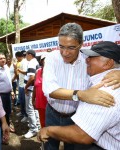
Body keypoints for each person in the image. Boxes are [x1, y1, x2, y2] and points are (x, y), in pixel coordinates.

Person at [41, 22, 119, 150]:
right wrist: (80, 95)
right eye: (61, 46)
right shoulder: (52, 58)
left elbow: (111, 64)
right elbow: (50, 90)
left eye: (71, 47)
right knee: (50, 147)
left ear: (81, 45)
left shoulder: (88, 60)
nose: (65, 52)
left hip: (76, 117)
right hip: (52, 113)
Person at [18, 50, 40, 138]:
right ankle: (37, 126)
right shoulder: (35, 62)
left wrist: (26, 87)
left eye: (26, 55)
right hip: (33, 89)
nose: (25, 56)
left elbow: (32, 77)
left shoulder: (31, 62)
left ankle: (33, 129)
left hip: (30, 89)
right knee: (34, 109)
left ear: (30, 55)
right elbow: (29, 74)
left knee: (29, 110)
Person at [32, 53, 48, 128]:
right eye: (45, 59)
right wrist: (33, 99)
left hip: (50, 104)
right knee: (43, 122)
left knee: (51, 124)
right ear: (41, 61)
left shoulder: (54, 72)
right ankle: (45, 139)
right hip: (40, 102)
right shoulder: (37, 71)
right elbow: (35, 87)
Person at [17, 51, 28, 122]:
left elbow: (26, 72)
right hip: (20, 84)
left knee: (24, 101)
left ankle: (26, 116)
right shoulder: (21, 62)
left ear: (18, 57)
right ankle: (22, 112)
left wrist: (19, 70)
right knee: (21, 100)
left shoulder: (24, 62)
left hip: (23, 85)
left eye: (17, 57)